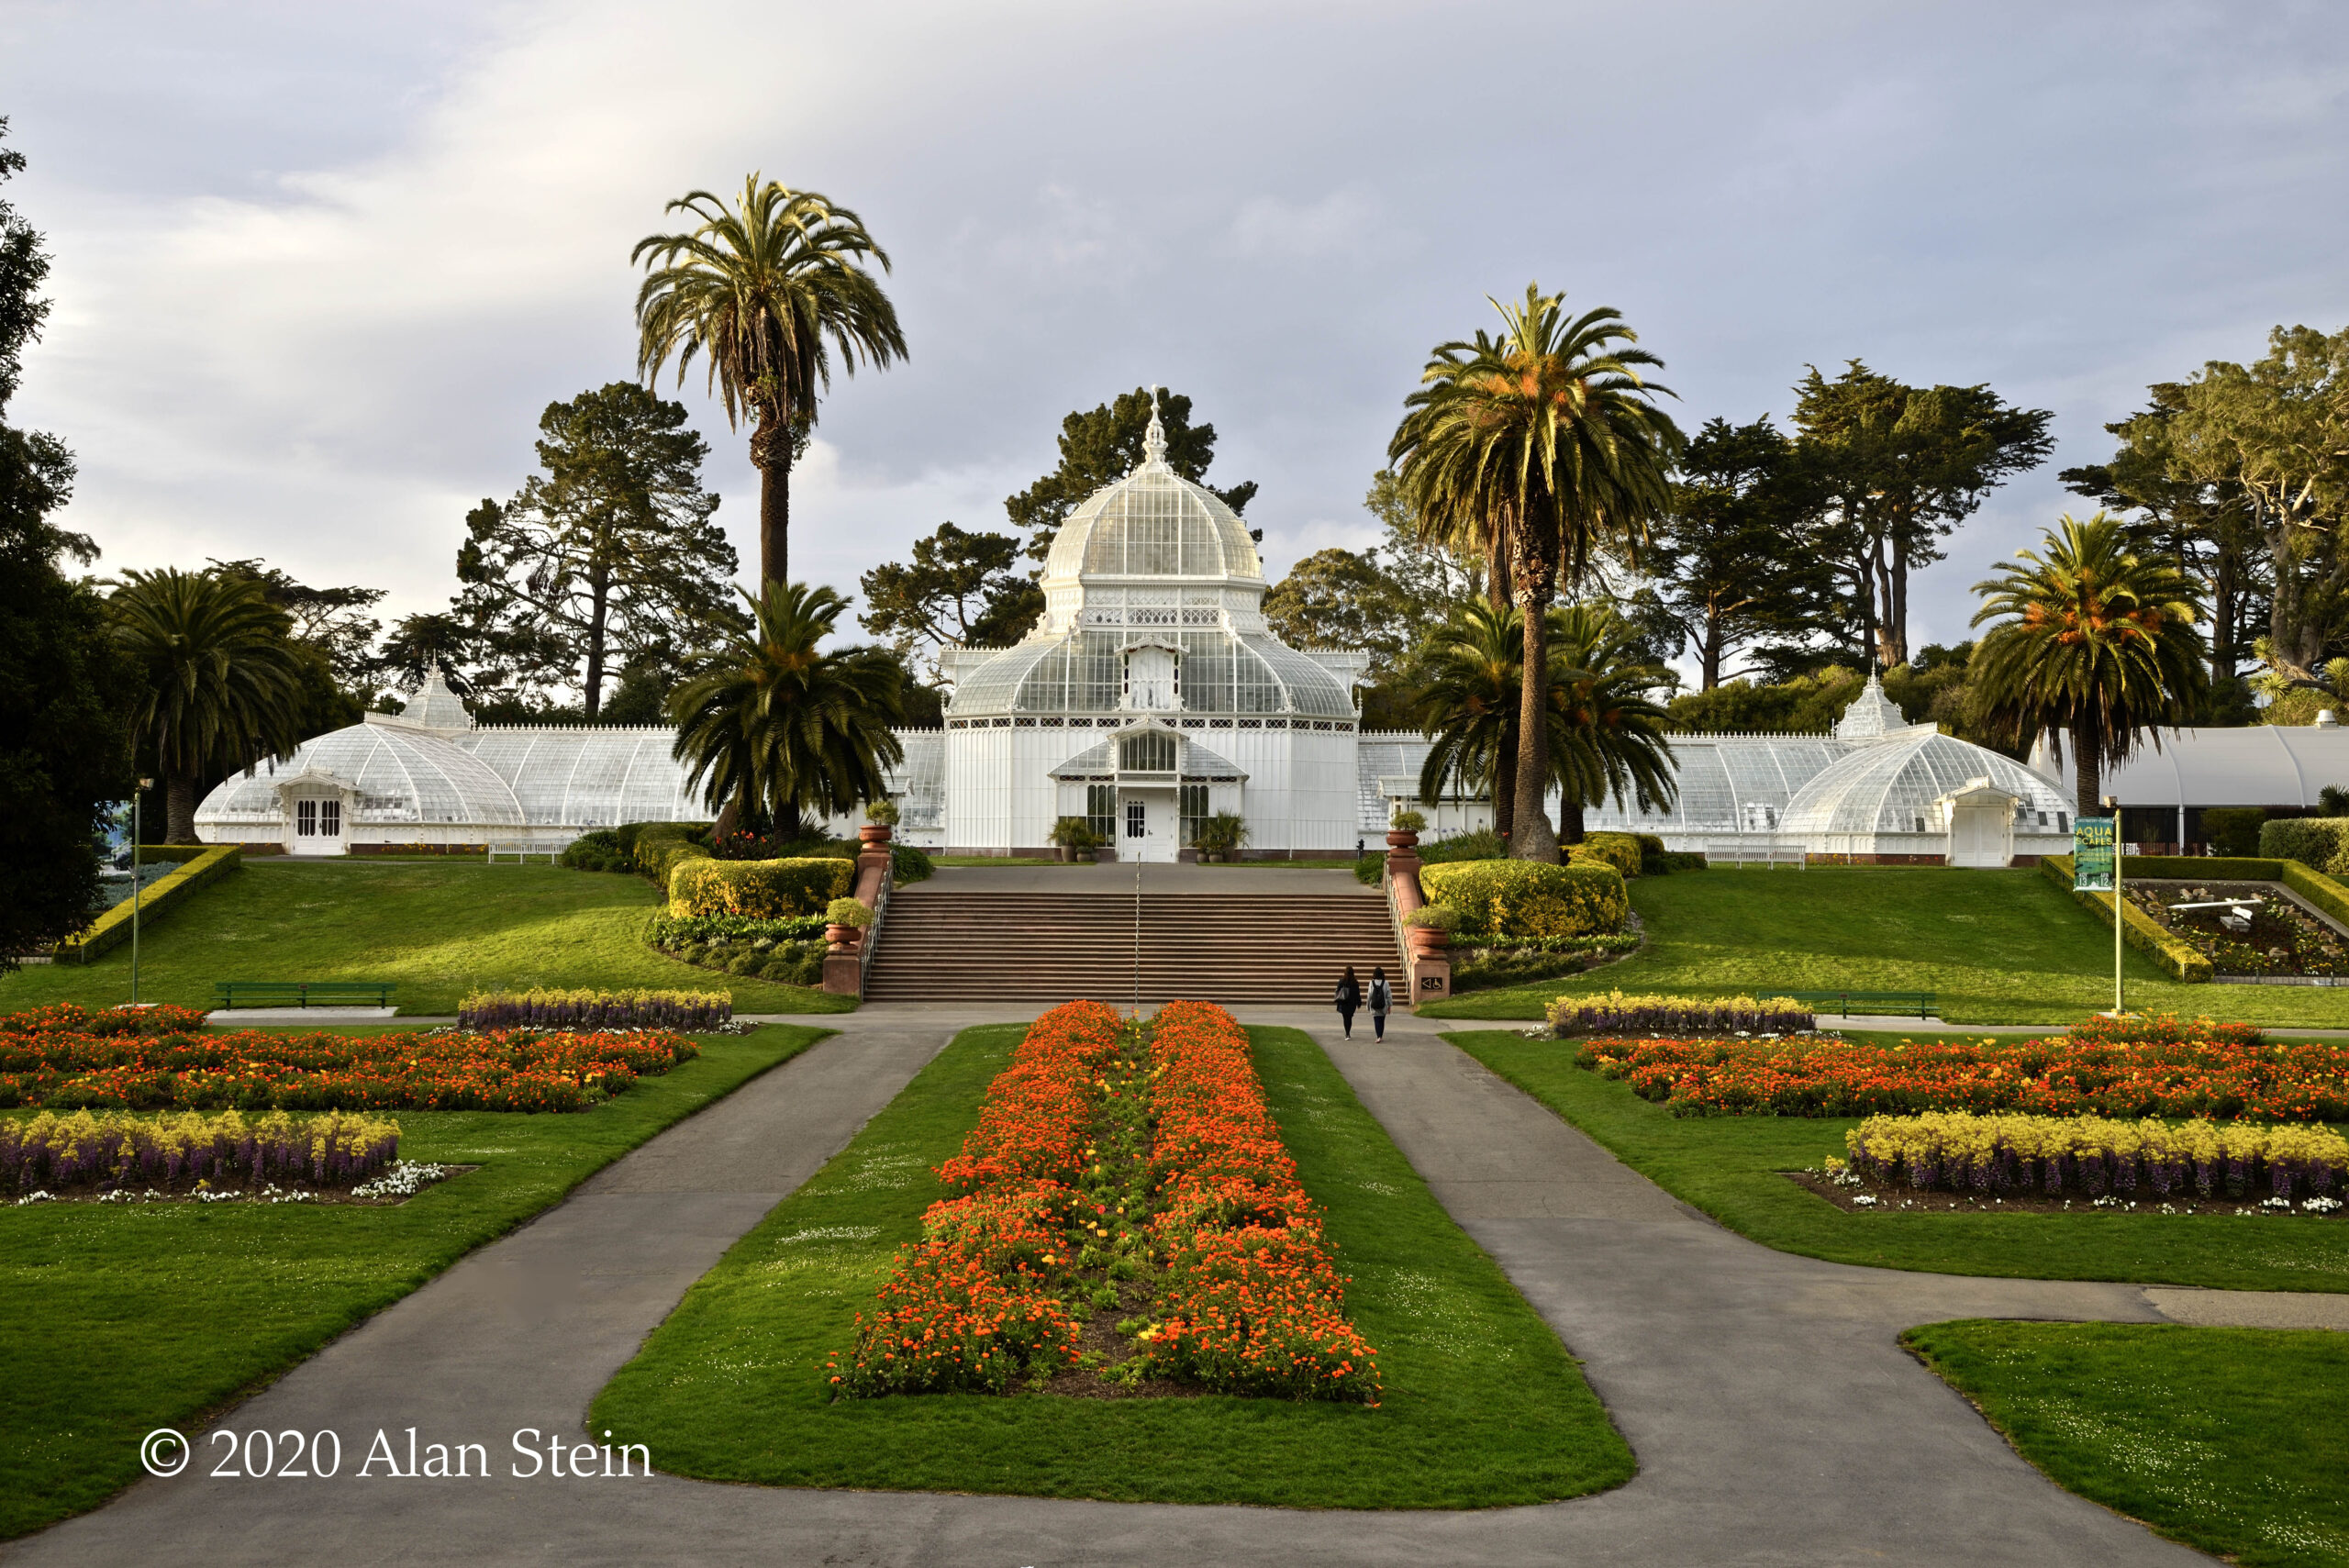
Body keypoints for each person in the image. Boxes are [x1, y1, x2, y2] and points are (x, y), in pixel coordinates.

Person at [1334, 965, 1361, 1038]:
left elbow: (1338, 990)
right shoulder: (1355, 982)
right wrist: (1359, 1003)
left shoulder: (1342, 981)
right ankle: (1348, 1032)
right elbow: (1357, 993)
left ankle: (1347, 1033)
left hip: (1344, 1002)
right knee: (1349, 1017)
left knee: (1345, 1018)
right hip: (1352, 1003)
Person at [1368, 965, 1392, 1040]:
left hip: (1374, 1004)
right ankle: (1380, 1036)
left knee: (1376, 1021)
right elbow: (1389, 995)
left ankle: (1378, 1036)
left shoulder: (1371, 983)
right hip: (1383, 1005)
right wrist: (1389, 1006)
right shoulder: (1386, 983)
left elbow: (1369, 995)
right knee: (1382, 1021)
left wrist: (1368, 1005)